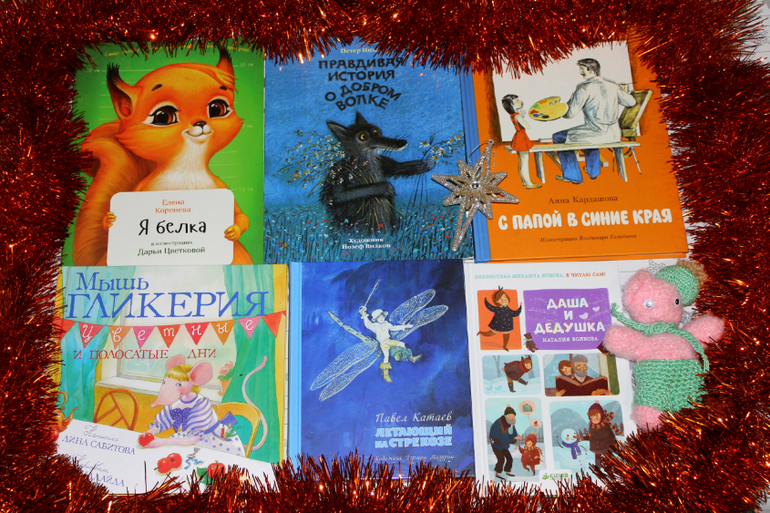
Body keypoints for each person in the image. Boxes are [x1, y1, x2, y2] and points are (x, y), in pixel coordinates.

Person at [552, 58, 636, 184]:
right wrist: (623, 92)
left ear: (590, 69)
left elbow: (570, 114)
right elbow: (631, 102)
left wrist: (557, 109)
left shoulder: (583, 88)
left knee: (558, 137)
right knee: (587, 134)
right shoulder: (613, 86)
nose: (580, 72)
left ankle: (572, 176)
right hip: (614, 134)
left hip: (596, 133)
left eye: (582, 69)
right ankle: (593, 172)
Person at [359, 305, 421, 383]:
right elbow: (368, 324)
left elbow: (394, 328)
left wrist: (405, 326)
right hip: (383, 343)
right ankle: (385, 374)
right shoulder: (375, 326)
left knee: (402, 344)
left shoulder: (386, 323)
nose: (381, 318)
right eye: (379, 317)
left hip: (389, 340)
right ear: (376, 319)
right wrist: (364, 315)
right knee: (386, 357)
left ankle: (411, 358)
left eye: (382, 316)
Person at [501, 94, 541, 189]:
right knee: (524, 162)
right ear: (512, 104)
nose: (520, 102)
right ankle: (529, 183)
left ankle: (524, 180)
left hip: (519, 137)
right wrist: (522, 117)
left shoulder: (513, 115)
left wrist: (521, 116)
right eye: (517, 101)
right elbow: (527, 126)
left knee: (522, 161)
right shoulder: (517, 116)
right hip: (521, 138)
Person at [478, 287, 523, 351]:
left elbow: (515, 314)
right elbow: (490, 307)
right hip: (497, 324)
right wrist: (485, 299)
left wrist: (520, 307)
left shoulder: (508, 309)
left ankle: (505, 346)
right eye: (501, 300)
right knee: (492, 333)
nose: (504, 300)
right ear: (497, 302)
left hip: (506, 324)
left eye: (505, 298)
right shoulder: (498, 309)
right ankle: (481, 333)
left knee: (506, 335)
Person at [489, 405, 521, 480]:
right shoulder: (498, 424)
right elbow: (502, 439)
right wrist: (513, 439)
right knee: (501, 459)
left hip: (503, 445)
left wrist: (513, 427)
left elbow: (509, 436)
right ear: (505, 416)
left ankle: (507, 471)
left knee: (509, 458)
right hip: (496, 444)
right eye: (510, 416)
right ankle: (497, 472)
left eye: (513, 416)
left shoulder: (506, 423)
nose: (512, 418)